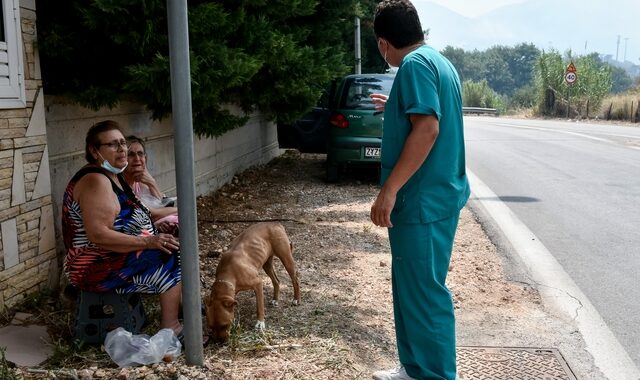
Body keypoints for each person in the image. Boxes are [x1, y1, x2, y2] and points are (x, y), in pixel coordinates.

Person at [369, 1, 470, 379]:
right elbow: (424, 115)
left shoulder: (412, 66)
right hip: (438, 195)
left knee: (425, 293)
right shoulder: (437, 60)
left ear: (383, 42)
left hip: (423, 200)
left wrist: (389, 190)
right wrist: (393, 104)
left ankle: (436, 375)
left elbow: (428, 129)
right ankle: (414, 368)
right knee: (411, 286)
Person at [62, 120, 183, 338]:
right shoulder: (95, 181)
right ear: (94, 150)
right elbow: (98, 235)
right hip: (93, 265)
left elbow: (146, 212)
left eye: (123, 143)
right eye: (113, 145)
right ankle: (171, 326)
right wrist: (148, 241)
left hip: (115, 253)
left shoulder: (115, 176)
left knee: (176, 241)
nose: (122, 150)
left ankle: (181, 306)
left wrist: (183, 212)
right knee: (170, 253)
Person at [123, 135, 179, 235]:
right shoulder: (120, 185)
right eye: (131, 154)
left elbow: (163, 204)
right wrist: (180, 210)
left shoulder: (140, 183)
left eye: (140, 154)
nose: (137, 159)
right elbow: (149, 214)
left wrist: (152, 183)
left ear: (146, 158)